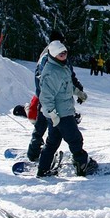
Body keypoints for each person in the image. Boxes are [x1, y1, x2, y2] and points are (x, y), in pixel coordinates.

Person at [37, 40, 97, 177]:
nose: (63, 55)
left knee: (53, 141)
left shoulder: (61, 67)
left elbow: (66, 87)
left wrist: (79, 93)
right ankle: (82, 164)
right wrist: (53, 115)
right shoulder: (51, 72)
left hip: (61, 113)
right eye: (60, 53)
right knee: (75, 139)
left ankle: (43, 168)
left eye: (64, 52)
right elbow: (46, 97)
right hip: (61, 114)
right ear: (52, 54)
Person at [26, 31, 87, 162]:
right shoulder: (51, 57)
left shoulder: (53, 53)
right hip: (50, 99)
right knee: (45, 126)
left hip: (47, 98)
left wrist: (79, 91)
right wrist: (45, 98)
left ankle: (35, 152)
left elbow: (68, 77)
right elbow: (57, 78)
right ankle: (34, 152)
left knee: (45, 130)